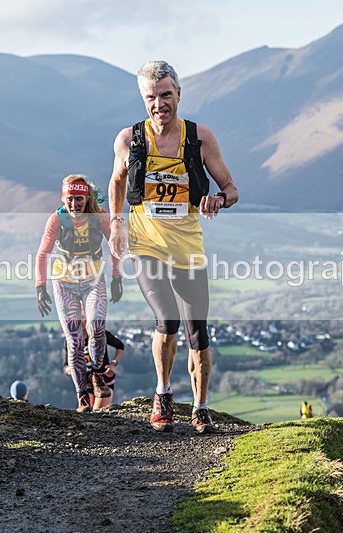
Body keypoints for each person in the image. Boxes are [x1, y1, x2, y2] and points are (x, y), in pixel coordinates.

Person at [107, 60, 239, 434]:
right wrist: (116, 223)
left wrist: (218, 200)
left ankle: (200, 407)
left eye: (166, 95)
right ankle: (163, 395)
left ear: (178, 94)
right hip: (146, 243)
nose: (159, 104)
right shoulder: (128, 139)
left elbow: (231, 189)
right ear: (143, 99)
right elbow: (116, 182)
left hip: (187, 245)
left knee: (197, 332)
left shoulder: (199, 137)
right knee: (166, 320)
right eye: (151, 97)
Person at [36, 174, 123, 413]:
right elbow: (42, 253)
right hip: (64, 283)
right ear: (63, 198)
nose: (74, 205)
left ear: (87, 199)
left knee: (96, 327)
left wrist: (117, 277)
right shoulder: (56, 220)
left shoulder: (100, 218)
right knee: (74, 341)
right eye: (70, 199)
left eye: (79, 200)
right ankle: (82, 396)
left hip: (93, 280)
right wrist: (40, 287)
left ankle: (97, 375)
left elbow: (116, 246)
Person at [63, 321, 126, 410]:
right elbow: (66, 367)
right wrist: (74, 368)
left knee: (98, 412)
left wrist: (113, 364)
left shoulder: (100, 334)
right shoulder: (71, 340)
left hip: (104, 381)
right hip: (85, 385)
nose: (81, 322)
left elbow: (120, 346)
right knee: (87, 413)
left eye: (83, 319)